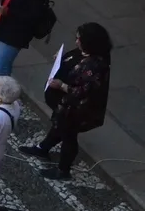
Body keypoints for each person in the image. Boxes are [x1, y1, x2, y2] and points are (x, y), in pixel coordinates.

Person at [20, 22, 112, 180]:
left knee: (69, 136)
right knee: (59, 126)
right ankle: (43, 148)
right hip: (64, 106)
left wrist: (62, 86)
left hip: (77, 109)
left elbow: (82, 91)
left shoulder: (96, 66)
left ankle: (63, 170)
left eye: (79, 39)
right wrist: (61, 59)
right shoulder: (86, 52)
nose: (76, 42)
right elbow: (73, 60)